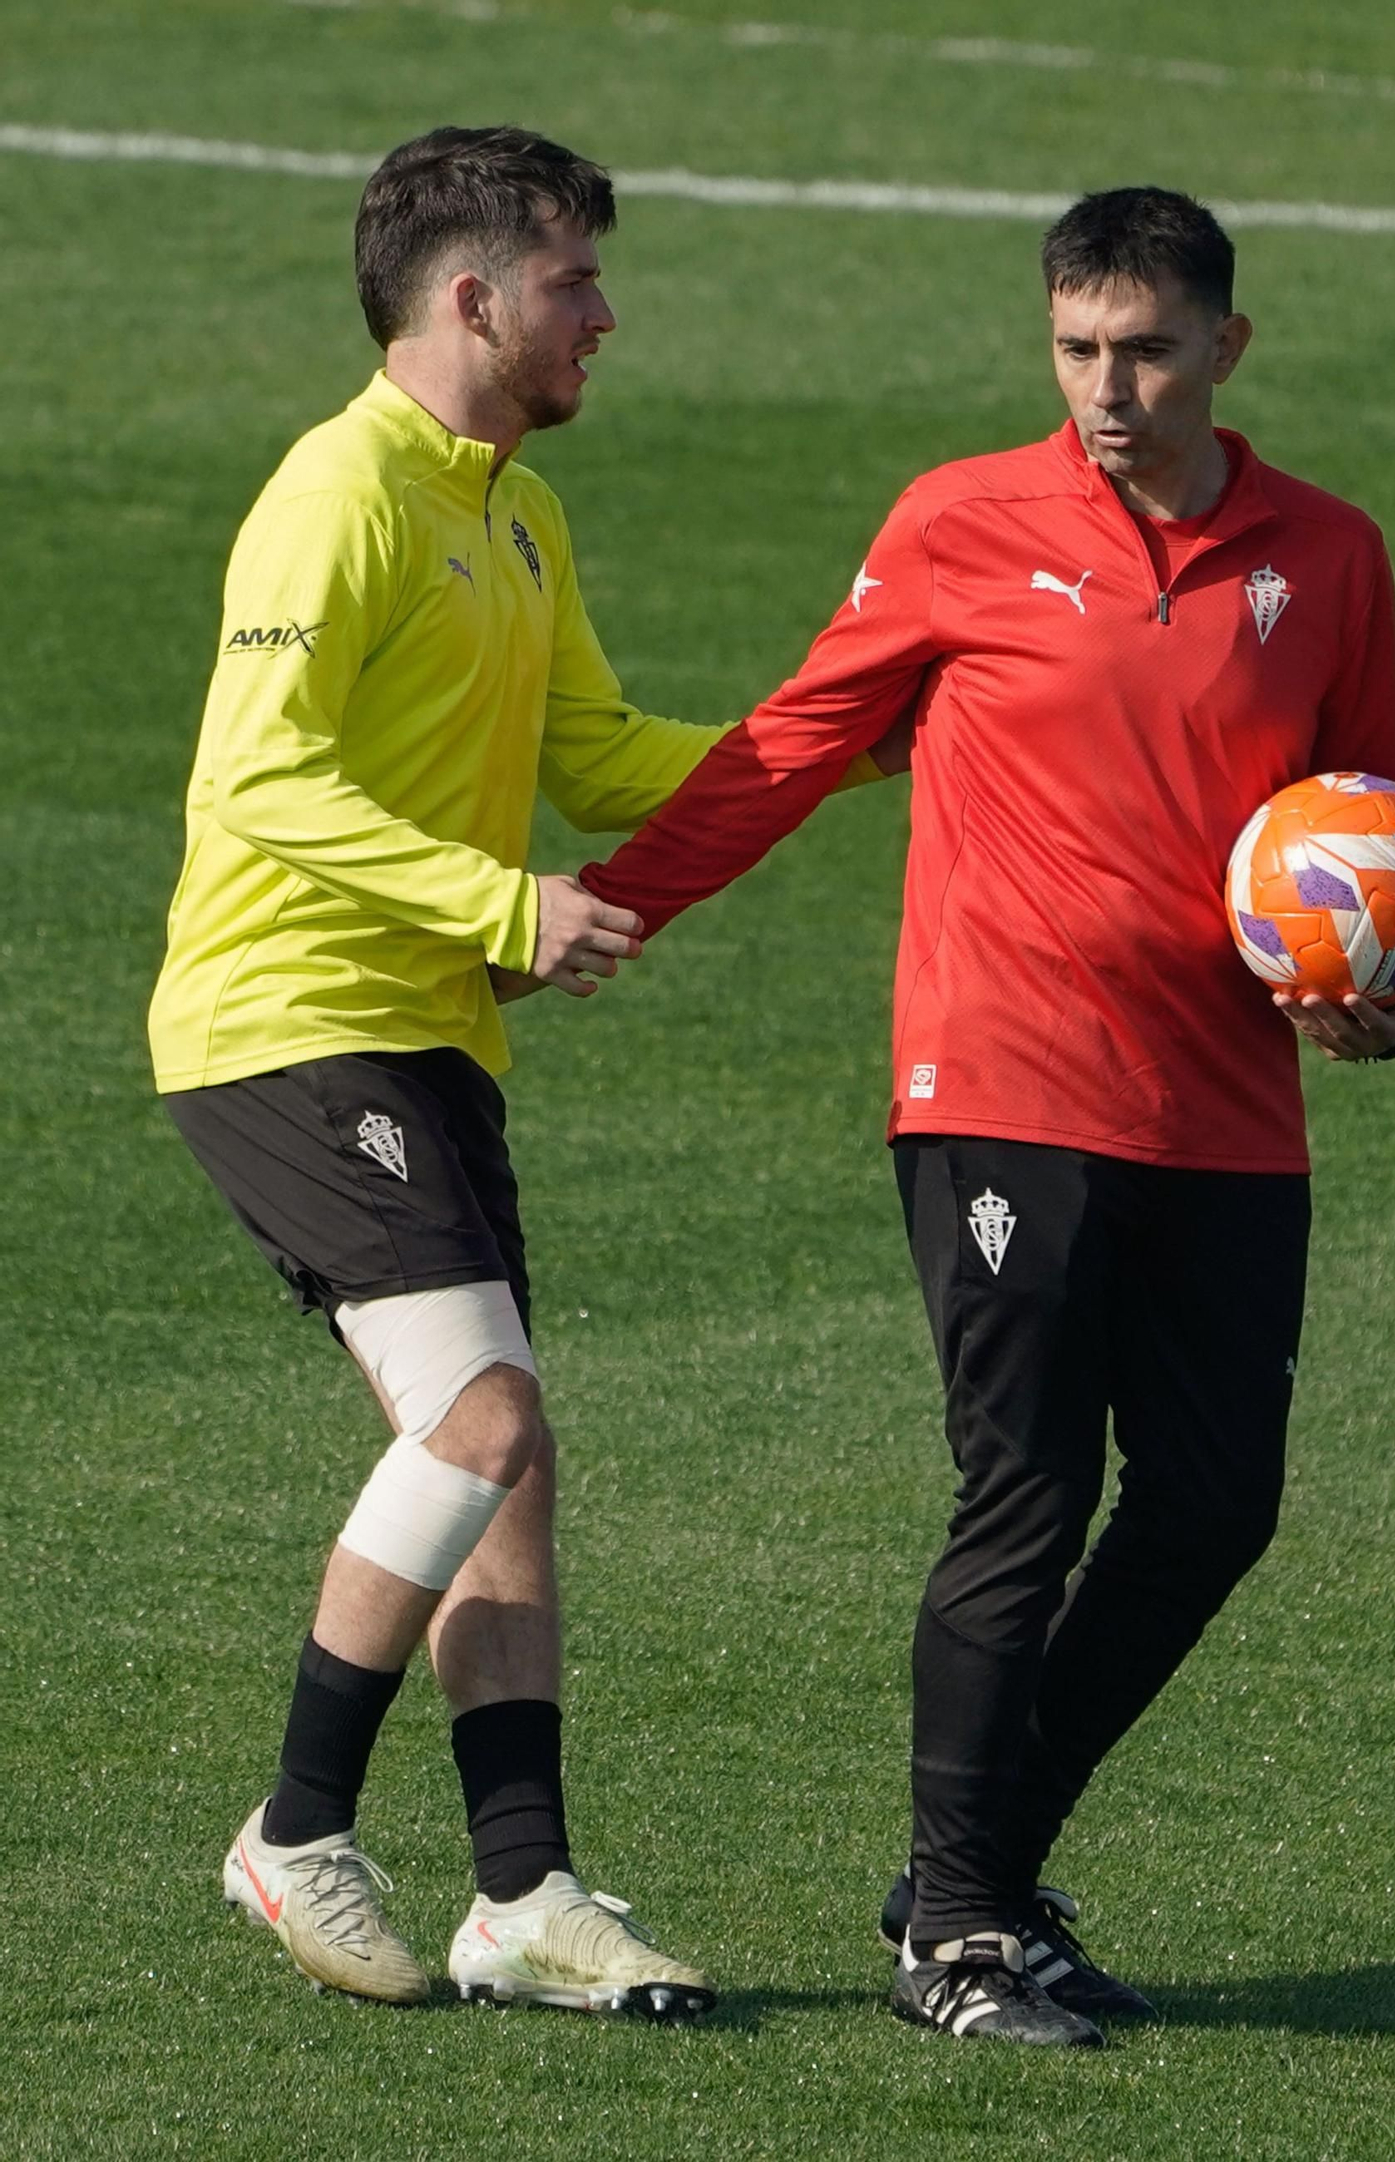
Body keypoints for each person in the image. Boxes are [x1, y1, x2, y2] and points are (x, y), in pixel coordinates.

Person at [582, 187, 1395, 2047]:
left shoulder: (1331, 555)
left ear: (1227, 346)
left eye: (1144, 350)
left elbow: (1365, 835)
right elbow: (794, 739)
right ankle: (963, 1932)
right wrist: (609, 908)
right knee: (1031, 1486)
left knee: (1215, 1505)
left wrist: (1385, 1000)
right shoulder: (960, 522)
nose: (1106, 390)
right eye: (1075, 349)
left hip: (1226, 1107)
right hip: (1003, 1079)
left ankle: (969, 1867)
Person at [148, 123, 889, 2016]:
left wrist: (842, 742)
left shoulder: (518, 510)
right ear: (474, 298)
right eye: (576, 283)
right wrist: (502, 902)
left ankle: (520, 1893)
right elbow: (257, 773)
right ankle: (295, 1830)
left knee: (509, 1462)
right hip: (285, 1018)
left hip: (425, 1031)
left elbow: (604, 751)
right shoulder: (339, 493)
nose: (605, 318)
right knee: (476, 1423)